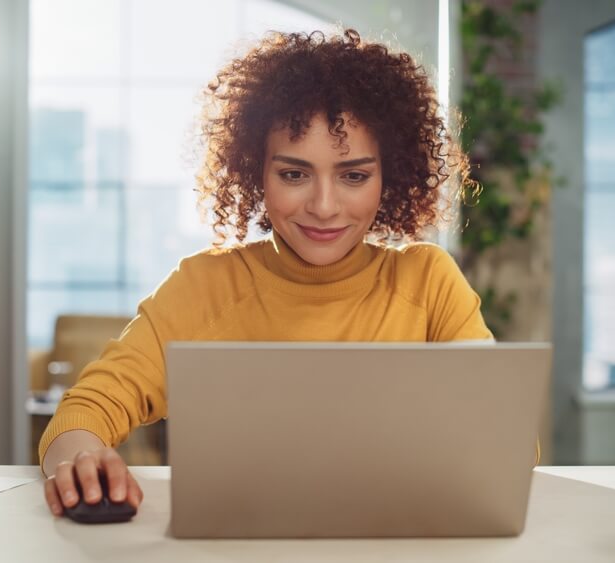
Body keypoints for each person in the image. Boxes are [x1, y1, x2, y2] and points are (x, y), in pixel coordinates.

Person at [40, 29, 492, 517]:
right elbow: (85, 410)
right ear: (257, 171)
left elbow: (498, 439)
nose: (323, 206)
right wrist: (84, 458)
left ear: (390, 176)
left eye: (354, 176)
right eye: (294, 174)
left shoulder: (427, 281)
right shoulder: (204, 287)